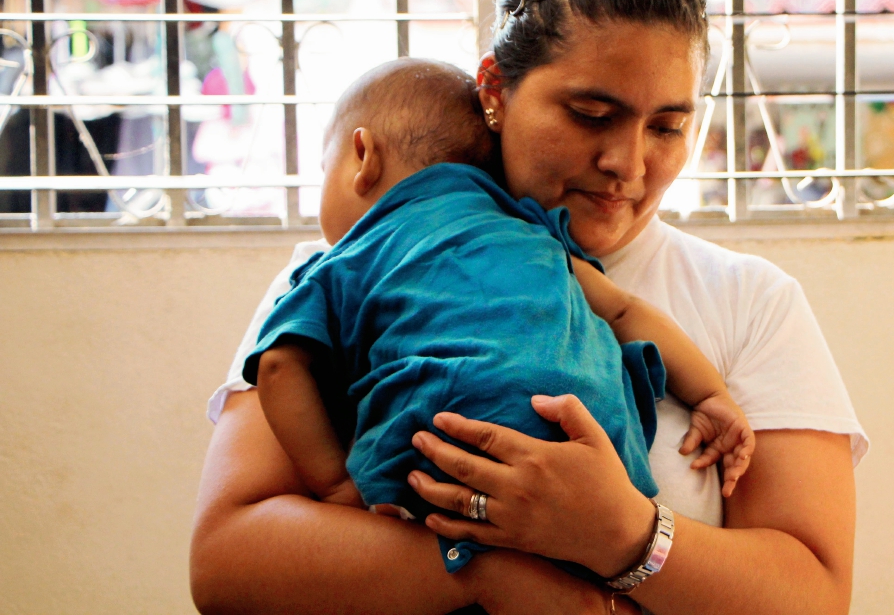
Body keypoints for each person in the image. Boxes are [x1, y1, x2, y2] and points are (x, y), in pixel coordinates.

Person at [192, 0, 867, 615]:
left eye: (666, 127)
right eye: (590, 113)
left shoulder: (748, 302)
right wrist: (479, 565)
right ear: (494, 89)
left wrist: (626, 536)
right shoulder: (349, 271)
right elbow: (228, 563)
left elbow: (812, 595)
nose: (628, 165)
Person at [247, 57, 755, 574]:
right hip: (601, 457)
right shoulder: (530, 229)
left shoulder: (341, 263)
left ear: (362, 157)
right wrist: (711, 395)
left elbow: (279, 368)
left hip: (445, 451)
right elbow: (624, 310)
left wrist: (335, 486)